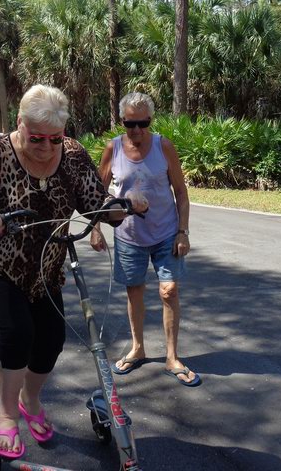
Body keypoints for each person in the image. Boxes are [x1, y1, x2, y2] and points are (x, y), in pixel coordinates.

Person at [0, 85, 148, 460]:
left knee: (50, 340)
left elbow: (94, 204)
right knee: (18, 333)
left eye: (56, 138)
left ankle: (29, 402)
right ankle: (6, 415)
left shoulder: (71, 155)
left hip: (47, 267)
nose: (47, 147)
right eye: (37, 137)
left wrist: (124, 207)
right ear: (19, 123)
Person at [90, 92, 201, 387]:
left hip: (166, 232)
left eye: (143, 123)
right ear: (122, 121)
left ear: (151, 120)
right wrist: (95, 228)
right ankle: (138, 348)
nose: (137, 130)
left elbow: (181, 192)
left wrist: (183, 231)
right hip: (128, 236)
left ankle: (172, 356)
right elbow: (97, 195)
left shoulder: (164, 146)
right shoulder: (112, 149)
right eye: (130, 123)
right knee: (134, 292)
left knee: (169, 291)